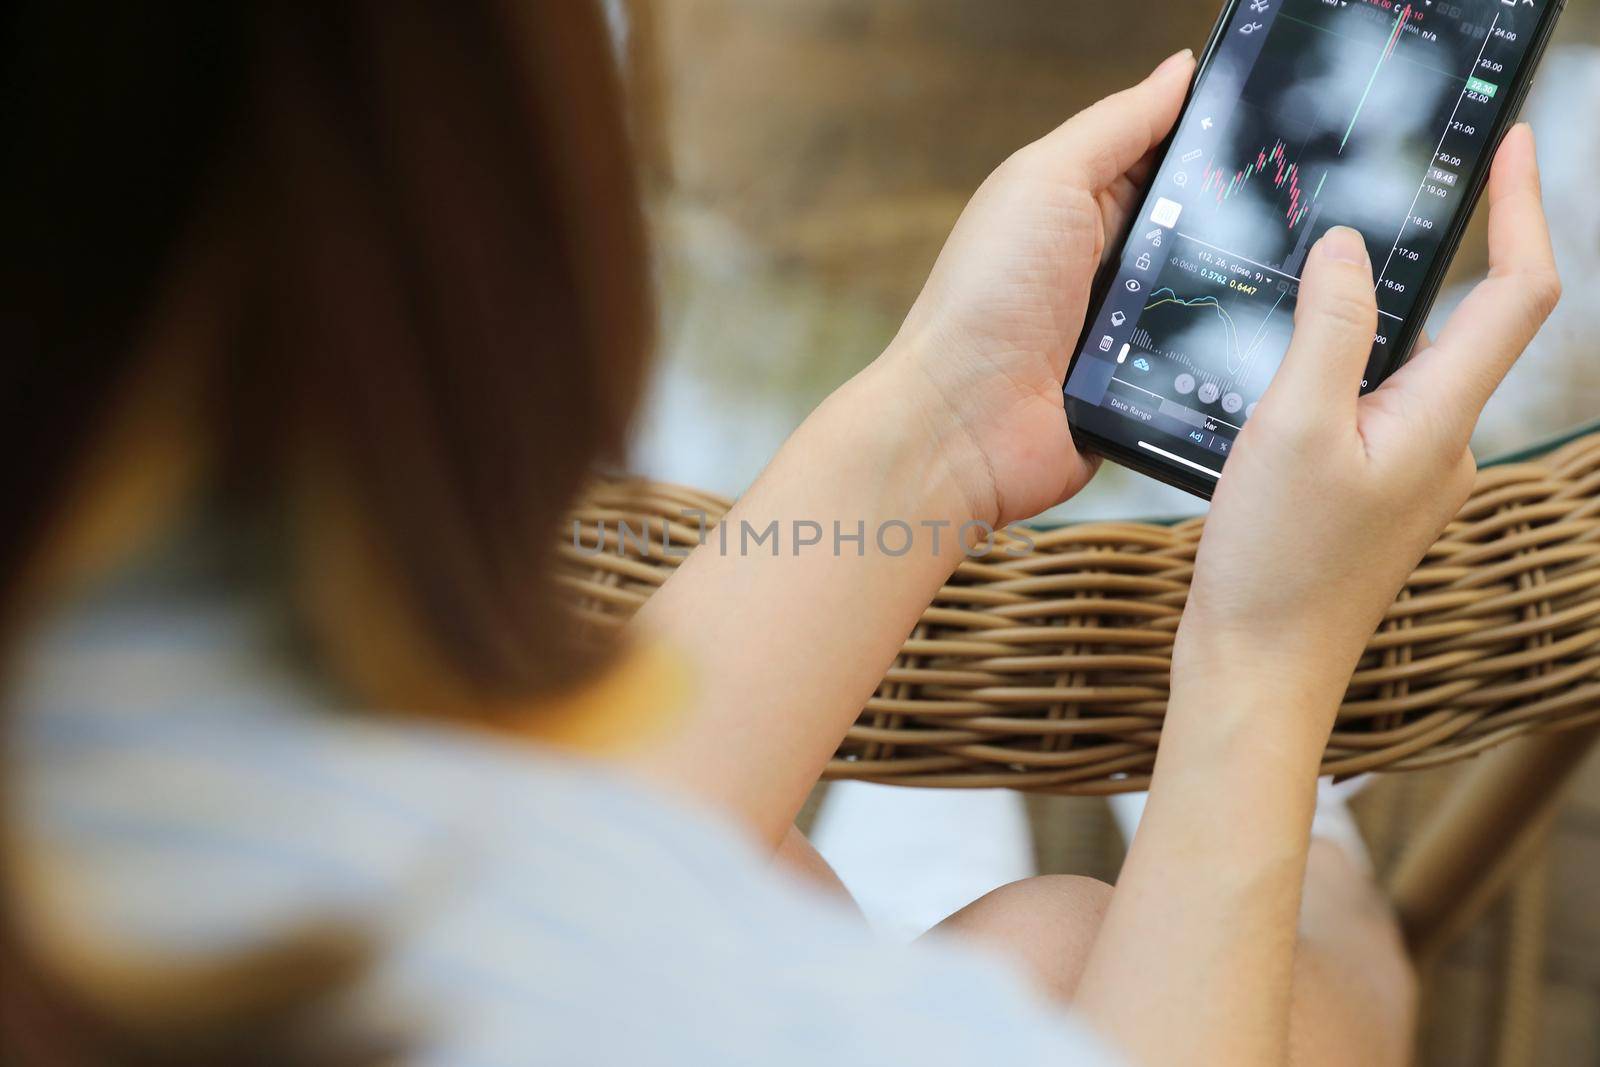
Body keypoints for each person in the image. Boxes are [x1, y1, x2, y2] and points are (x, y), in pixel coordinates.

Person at [1, 3, 1561, 1065]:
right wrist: (1266, 662)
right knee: (1314, 976)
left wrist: (945, 419)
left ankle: (918, 861)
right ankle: (1334, 901)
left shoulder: (131, 757)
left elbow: (547, 847)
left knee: (1037, 935)